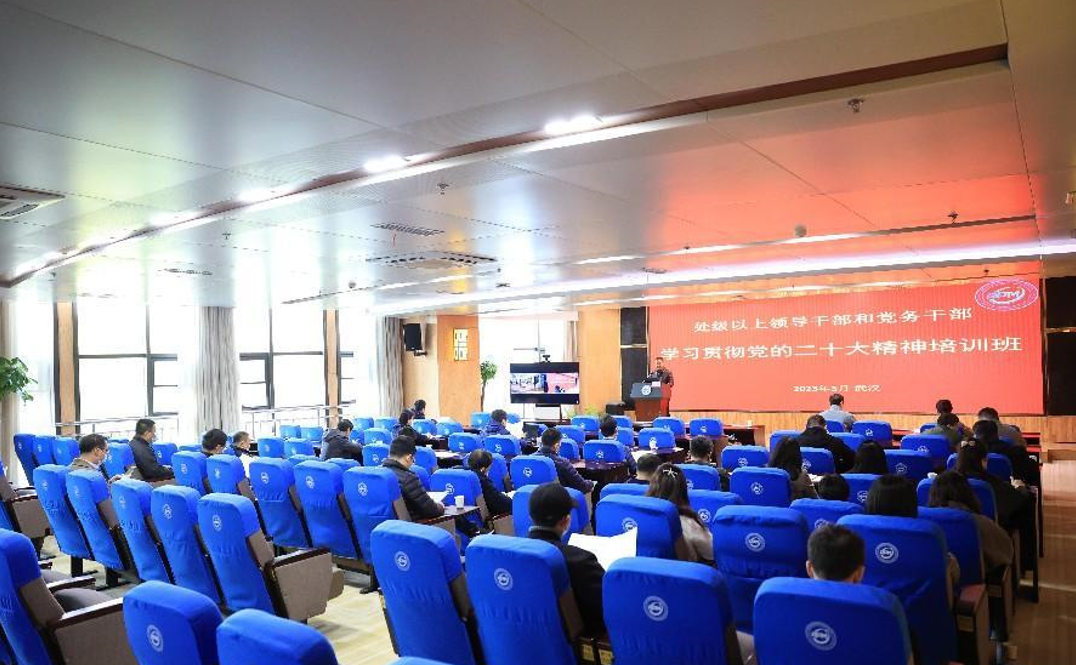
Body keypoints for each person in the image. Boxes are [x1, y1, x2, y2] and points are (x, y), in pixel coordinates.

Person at [527, 483, 605, 634]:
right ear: (566, 521)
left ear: (531, 517)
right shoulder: (581, 561)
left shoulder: (512, 557)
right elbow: (607, 607)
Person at [954, 439, 1036, 570]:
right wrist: (1020, 489)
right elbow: (1018, 501)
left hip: (954, 544)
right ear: (983, 461)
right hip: (990, 541)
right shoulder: (990, 485)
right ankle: (1024, 563)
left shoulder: (945, 482)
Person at [383, 436, 479, 538]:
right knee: (446, 508)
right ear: (408, 457)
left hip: (387, 531)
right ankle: (474, 533)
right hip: (415, 530)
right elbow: (432, 511)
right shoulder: (407, 478)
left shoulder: (381, 475)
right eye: (413, 459)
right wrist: (440, 506)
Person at [928, 471, 1013, 570]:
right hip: (972, 575)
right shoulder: (979, 523)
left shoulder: (923, 521)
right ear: (967, 494)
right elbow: (1007, 551)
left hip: (934, 576)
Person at [646, 464, 713, 562]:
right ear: (683, 490)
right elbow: (711, 552)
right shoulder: (689, 523)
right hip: (685, 570)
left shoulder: (641, 517)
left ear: (652, 487)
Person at [972, 419, 1039, 486]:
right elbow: (1032, 478)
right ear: (996, 434)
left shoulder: (971, 456)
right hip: (1012, 490)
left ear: (976, 437)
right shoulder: (1017, 453)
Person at [538, 428, 595, 494]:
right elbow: (582, 486)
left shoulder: (529, 458)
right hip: (557, 497)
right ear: (556, 445)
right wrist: (591, 483)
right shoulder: (562, 463)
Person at [468, 449, 512, 516]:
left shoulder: (464, 476)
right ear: (483, 469)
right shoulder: (483, 481)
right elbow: (504, 504)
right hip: (491, 517)